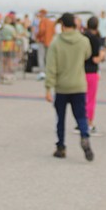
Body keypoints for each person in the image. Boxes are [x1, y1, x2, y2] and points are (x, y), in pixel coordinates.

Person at [44, 13, 93, 162]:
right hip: (79, 84)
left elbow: (51, 67)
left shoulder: (56, 43)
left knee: (61, 118)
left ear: (62, 25)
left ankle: (61, 147)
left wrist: (48, 88)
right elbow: (87, 55)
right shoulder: (84, 41)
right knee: (81, 116)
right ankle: (84, 136)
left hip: (62, 87)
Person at [82, 16, 105, 135]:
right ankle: (89, 123)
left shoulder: (81, 36)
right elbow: (96, 59)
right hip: (91, 71)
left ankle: (80, 122)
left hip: (80, 71)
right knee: (91, 99)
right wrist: (101, 56)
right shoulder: (96, 39)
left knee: (82, 98)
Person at [34, 9, 55, 81]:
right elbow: (53, 31)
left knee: (41, 57)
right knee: (48, 57)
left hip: (42, 41)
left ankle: (42, 73)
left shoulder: (43, 21)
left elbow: (42, 30)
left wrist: (37, 36)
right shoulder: (51, 22)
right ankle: (48, 72)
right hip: (49, 41)